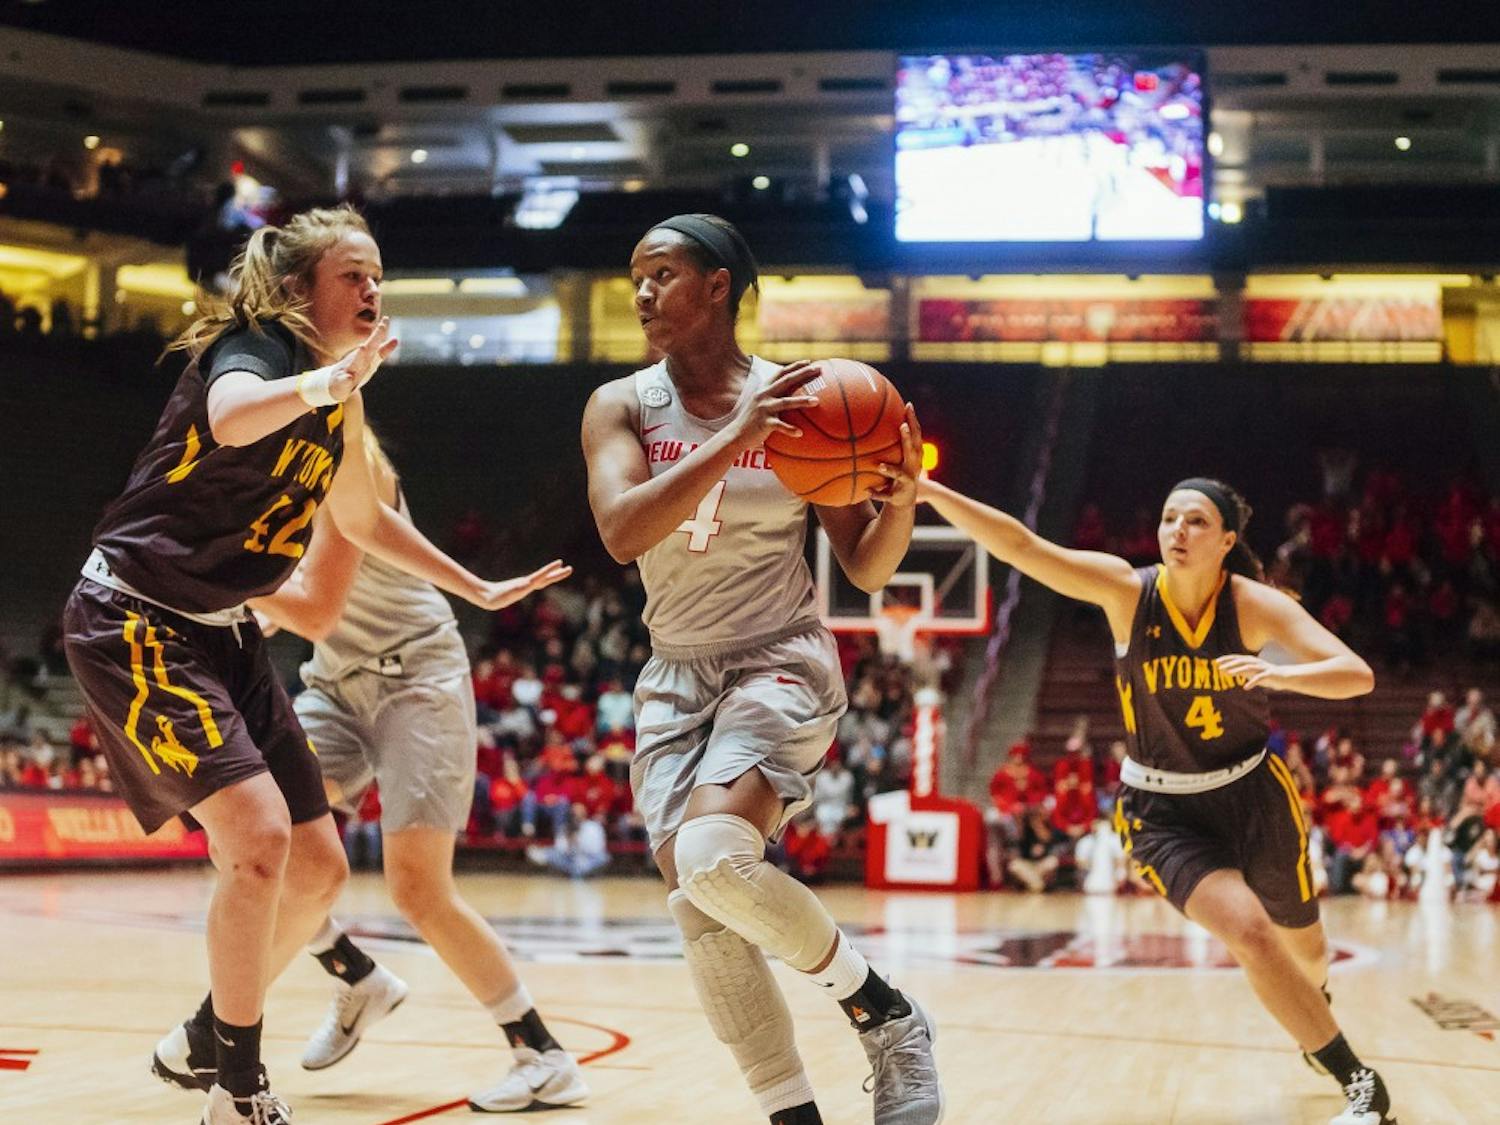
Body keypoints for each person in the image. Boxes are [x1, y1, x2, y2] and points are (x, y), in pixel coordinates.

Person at [63, 205, 543, 1125]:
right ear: (298, 291)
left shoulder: (339, 391)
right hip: (133, 614)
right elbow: (231, 417)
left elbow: (363, 520)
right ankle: (238, 1086)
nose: (373, 290)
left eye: (377, 276)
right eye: (353, 275)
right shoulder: (259, 350)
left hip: (222, 625)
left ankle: (219, 1051)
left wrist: (472, 586)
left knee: (318, 867)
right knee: (257, 839)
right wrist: (327, 381)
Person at [580, 213, 941, 1125]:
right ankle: (794, 1113)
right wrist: (733, 434)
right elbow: (622, 533)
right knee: (702, 910)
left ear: (719, 288)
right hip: (674, 675)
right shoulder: (620, 404)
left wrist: (898, 503)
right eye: (636, 274)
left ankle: (884, 1013)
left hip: (778, 656)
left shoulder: (805, 398)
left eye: (661, 273)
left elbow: (865, 564)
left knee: (710, 853)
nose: (643, 292)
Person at [917, 473, 1397, 1125]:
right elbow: (1025, 548)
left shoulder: (1254, 605)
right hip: (1163, 810)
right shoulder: (1127, 591)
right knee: (1250, 932)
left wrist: (1282, 672)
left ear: (1227, 538)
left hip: (1254, 795)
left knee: (1306, 955)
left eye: (1197, 521)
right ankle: (1362, 1082)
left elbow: (1356, 673)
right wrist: (936, 494)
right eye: (1170, 517)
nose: (1178, 531)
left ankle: (1314, 1016)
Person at [245, 428, 585, 1112]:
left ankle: (543, 1054)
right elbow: (286, 609)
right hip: (337, 686)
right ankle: (354, 973)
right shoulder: (270, 475)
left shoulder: (348, 459)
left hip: (417, 679)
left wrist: (222, 584)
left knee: (418, 888)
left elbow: (313, 603)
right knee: (258, 832)